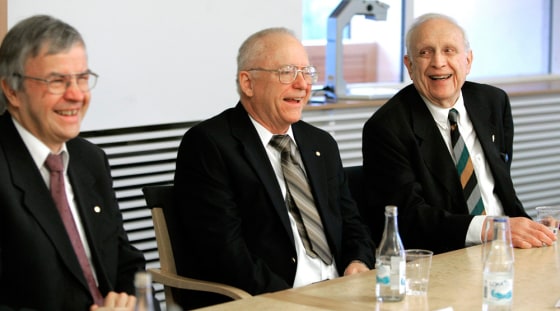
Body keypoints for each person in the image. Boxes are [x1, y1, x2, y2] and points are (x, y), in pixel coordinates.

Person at [173, 27, 375, 309]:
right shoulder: (209, 145)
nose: (303, 85)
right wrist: (293, 301)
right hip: (271, 299)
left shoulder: (321, 143)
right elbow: (225, 254)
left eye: (307, 73)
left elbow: (352, 223)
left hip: (341, 293)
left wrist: (359, 262)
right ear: (248, 82)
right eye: (287, 73)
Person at [362, 13, 556, 254]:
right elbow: (409, 219)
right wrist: (491, 228)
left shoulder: (494, 102)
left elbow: (499, 192)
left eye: (449, 50)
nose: (438, 62)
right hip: (445, 257)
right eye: (425, 52)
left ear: (468, 60)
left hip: (507, 249)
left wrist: (532, 228)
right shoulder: (387, 127)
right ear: (409, 66)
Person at [0, 15, 151, 311]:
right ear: (12, 91)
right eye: (56, 81)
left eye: (82, 78)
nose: (76, 95)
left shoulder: (89, 159)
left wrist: (134, 305)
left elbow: (125, 260)